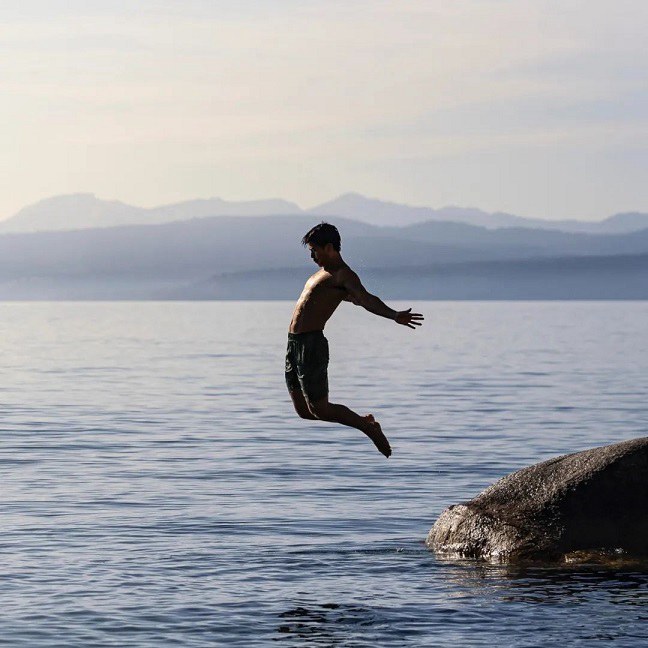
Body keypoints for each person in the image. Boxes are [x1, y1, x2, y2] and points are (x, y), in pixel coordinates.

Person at [285, 222, 424, 457]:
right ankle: (363, 423)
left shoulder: (343, 275)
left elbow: (366, 298)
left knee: (320, 408)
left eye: (314, 250)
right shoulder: (322, 274)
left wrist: (393, 315)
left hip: (311, 345)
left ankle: (367, 427)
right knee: (305, 412)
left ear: (329, 247)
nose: (312, 256)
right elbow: (342, 299)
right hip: (293, 344)